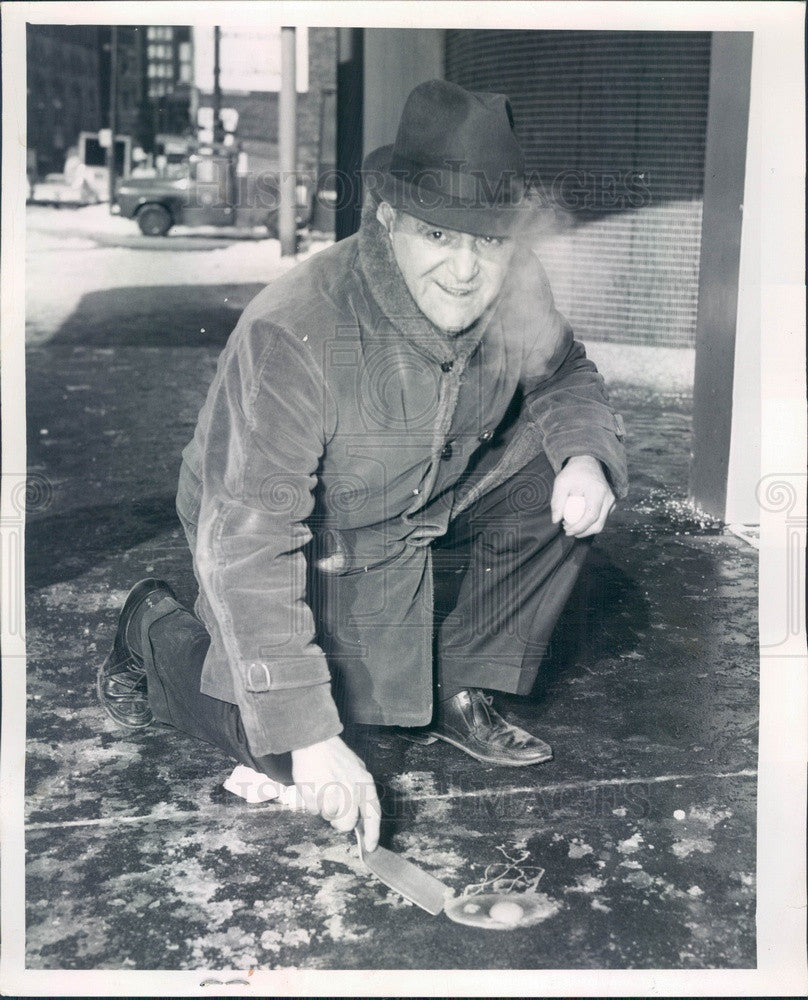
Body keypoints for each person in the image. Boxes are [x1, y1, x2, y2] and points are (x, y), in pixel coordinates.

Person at [98, 80, 628, 854]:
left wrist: (585, 455)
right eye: (438, 236)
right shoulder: (298, 328)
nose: (464, 270)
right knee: (291, 749)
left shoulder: (516, 287)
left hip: (424, 501)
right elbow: (249, 538)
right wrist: (309, 737)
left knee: (557, 477)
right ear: (388, 219)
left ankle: (457, 685)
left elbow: (563, 372)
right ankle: (153, 626)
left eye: (488, 240)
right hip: (296, 528)